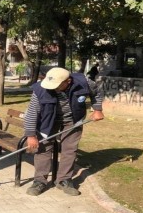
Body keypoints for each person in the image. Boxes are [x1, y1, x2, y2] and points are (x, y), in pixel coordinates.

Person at [23, 67, 105, 197]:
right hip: (48, 122)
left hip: (73, 120)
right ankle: (39, 181)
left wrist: (97, 109)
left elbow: (97, 92)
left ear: (68, 81)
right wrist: (31, 135)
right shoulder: (40, 89)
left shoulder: (84, 82)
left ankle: (64, 180)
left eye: (56, 85)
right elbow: (32, 113)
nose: (52, 88)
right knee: (43, 149)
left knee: (69, 150)